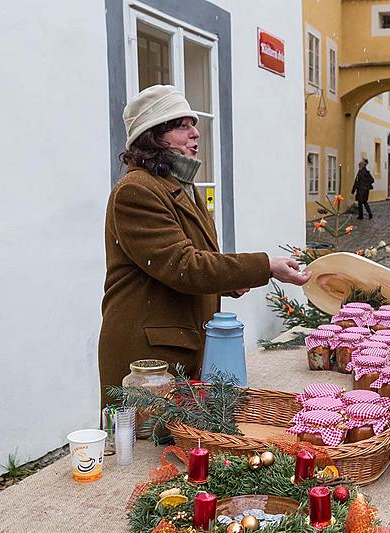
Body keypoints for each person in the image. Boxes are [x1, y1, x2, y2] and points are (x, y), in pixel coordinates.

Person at [99, 85, 310, 409]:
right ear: (154, 135)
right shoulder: (136, 191)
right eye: (182, 125)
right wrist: (264, 266)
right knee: (146, 452)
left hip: (181, 345)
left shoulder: (182, 186)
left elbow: (198, 258)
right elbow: (183, 266)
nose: (196, 132)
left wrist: (231, 279)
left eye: (193, 123)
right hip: (146, 358)